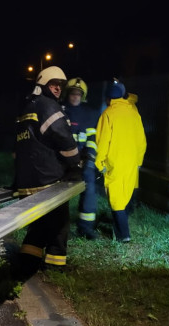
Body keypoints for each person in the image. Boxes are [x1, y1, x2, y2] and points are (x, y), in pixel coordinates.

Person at [13, 66, 80, 278]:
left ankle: (27, 261)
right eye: (54, 85)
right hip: (48, 179)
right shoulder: (48, 106)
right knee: (60, 221)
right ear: (43, 85)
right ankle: (56, 264)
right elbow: (63, 138)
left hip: (26, 180)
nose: (58, 89)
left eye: (60, 86)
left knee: (40, 225)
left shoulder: (27, 107)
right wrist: (75, 164)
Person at [95, 80, 147, 243]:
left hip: (114, 162)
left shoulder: (108, 114)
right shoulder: (133, 112)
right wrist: (138, 160)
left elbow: (102, 141)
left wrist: (99, 163)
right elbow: (141, 140)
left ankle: (123, 235)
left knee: (116, 200)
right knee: (125, 196)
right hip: (131, 163)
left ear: (108, 98)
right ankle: (122, 232)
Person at [63, 77, 100, 240]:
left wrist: (89, 159)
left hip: (83, 160)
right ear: (68, 94)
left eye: (78, 94)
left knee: (90, 187)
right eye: (73, 93)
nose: (75, 97)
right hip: (63, 161)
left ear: (82, 96)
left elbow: (92, 139)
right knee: (57, 193)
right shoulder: (60, 111)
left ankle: (85, 228)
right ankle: (58, 227)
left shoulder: (90, 114)